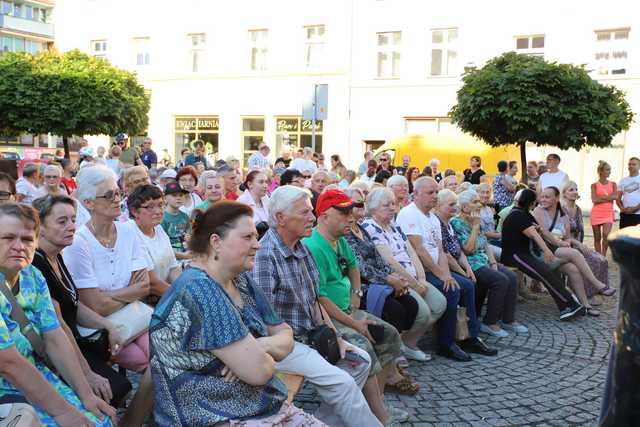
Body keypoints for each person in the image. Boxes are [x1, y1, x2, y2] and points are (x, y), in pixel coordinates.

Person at [149, 201, 324, 426]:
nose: (257, 245)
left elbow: (285, 333)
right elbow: (259, 371)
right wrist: (261, 354)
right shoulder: (199, 289)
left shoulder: (239, 279)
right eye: (248, 237)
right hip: (213, 417)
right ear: (216, 242)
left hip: (256, 407)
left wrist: (260, 346)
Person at [251, 186, 383, 427]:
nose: (312, 217)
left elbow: (315, 300)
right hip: (284, 344)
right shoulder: (266, 255)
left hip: (308, 337)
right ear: (281, 218)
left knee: (360, 360)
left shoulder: (301, 247)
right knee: (342, 382)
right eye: (304, 213)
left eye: (311, 211)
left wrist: (335, 336)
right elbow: (263, 319)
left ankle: (321, 421)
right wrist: (308, 346)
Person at [0, 203, 116, 426]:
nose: (19, 246)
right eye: (8, 238)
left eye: (26, 239)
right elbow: (8, 362)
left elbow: (54, 337)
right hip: (7, 389)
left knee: (100, 419)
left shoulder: (32, 275)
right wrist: (63, 413)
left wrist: (86, 395)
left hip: (33, 375)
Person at [304, 189, 410, 425]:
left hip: (348, 311)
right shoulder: (313, 246)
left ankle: (377, 402)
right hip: (329, 318)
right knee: (365, 345)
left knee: (389, 335)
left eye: (350, 211)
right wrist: (355, 323)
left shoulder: (339, 239)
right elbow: (319, 300)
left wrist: (356, 292)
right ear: (323, 216)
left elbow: (353, 267)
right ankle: (378, 415)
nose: (351, 218)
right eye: (343, 213)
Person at [32, 195, 133, 408]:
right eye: (62, 221)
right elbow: (57, 325)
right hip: (55, 352)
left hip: (75, 342)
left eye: (73, 219)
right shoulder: (36, 263)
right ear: (39, 226)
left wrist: (108, 325)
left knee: (121, 386)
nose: (71, 226)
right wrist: (87, 374)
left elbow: (73, 305)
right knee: (113, 390)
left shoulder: (56, 255)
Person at [396, 177, 497, 362]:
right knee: (452, 290)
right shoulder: (409, 214)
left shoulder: (432, 217)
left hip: (435, 268)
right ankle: (446, 343)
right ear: (416, 194)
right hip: (419, 271)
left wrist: (447, 274)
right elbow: (419, 251)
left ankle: (469, 337)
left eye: (436, 192)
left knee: (467, 285)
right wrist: (443, 276)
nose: (434, 196)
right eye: (430, 193)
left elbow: (441, 250)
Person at [63, 165, 151, 373]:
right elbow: (94, 306)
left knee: (162, 357)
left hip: (135, 319)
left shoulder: (128, 231)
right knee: (147, 364)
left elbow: (145, 285)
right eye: (109, 195)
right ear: (88, 203)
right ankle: (138, 407)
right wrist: (130, 291)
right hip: (101, 328)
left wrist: (107, 296)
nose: (116, 199)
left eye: (118, 193)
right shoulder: (79, 243)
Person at [343, 188, 422, 394]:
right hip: (362, 286)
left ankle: (392, 359)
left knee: (410, 305)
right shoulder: (344, 233)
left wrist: (394, 278)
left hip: (380, 282)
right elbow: (359, 268)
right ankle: (389, 371)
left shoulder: (362, 228)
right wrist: (388, 279)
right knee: (395, 310)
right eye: (353, 205)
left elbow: (379, 259)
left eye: (361, 204)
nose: (357, 209)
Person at [360, 188, 445, 362]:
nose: (393, 208)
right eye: (387, 205)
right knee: (422, 312)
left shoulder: (394, 224)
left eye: (393, 203)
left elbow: (411, 252)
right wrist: (414, 284)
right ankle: (398, 347)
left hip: (414, 277)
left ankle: (408, 343)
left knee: (439, 304)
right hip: (398, 279)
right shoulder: (370, 226)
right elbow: (389, 261)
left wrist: (421, 278)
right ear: (374, 208)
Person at [450, 190, 528, 337]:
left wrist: (493, 263)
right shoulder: (456, 223)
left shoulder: (476, 220)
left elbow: (485, 244)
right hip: (470, 264)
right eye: (475, 202)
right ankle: (489, 322)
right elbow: (468, 250)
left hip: (483, 261)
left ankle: (508, 319)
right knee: (500, 280)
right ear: (465, 207)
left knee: (510, 276)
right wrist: (474, 227)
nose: (479, 204)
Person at [501, 188, 585, 320]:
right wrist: (546, 251)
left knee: (549, 272)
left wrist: (558, 243)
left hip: (524, 254)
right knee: (545, 273)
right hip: (514, 256)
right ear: (531, 203)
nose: (537, 203)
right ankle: (569, 305)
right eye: (536, 201)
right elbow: (534, 234)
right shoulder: (517, 215)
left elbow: (542, 231)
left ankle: (570, 304)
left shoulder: (525, 214)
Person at [533, 187, 615, 315]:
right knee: (575, 253)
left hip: (560, 249)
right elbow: (544, 233)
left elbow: (568, 238)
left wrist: (575, 243)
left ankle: (585, 306)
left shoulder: (562, 215)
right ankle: (598, 284)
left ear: (556, 198)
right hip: (544, 250)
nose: (543, 199)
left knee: (573, 269)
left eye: (547, 197)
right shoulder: (538, 211)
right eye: (542, 196)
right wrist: (560, 242)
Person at [561, 180, 610, 306]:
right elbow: (561, 234)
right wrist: (578, 245)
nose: (574, 192)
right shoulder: (561, 210)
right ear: (564, 194)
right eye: (571, 189)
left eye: (576, 189)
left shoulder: (578, 209)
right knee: (591, 261)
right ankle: (585, 295)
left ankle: (596, 291)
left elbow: (580, 231)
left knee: (602, 260)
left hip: (578, 245)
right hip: (565, 246)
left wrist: (582, 246)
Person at [128, 185, 181, 298]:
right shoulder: (130, 233)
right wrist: (182, 296)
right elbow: (152, 283)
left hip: (166, 293)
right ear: (134, 211)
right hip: (146, 301)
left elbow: (173, 267)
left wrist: (182, 287)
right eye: (150, 207)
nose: (158, 211)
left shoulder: (158, 228)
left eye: (160, 205)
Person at [590, 161, 616, 256]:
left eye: (610, 170)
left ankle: (603, 256)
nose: (609, 172)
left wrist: (601, 198)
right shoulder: (594, 185)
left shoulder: (613, 184)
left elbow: (615, 196)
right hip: (596, 213)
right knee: (597, 237)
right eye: (607, 170)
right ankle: (598, 258)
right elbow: (594, 199)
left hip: (608, 213)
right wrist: (608, 198)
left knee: (606, 235)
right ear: (601, 171)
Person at [161, 182, 191, 260]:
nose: (178, 198)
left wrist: (189, 239)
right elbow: (162, 247)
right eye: (174, 195)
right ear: (165, 198)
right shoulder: (162, 218)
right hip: (169, 257)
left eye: (181, 195)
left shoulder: (185, 216)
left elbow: (189, 234)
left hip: (185, 253)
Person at [617, 157, 640, 229]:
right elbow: (618, 198)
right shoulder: (623, 181)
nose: (631, 166)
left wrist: (635, 208)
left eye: (634, 164)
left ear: (639, 166)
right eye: (629, 164)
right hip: (625, 215)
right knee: (623, 237)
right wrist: (622, 208)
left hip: (638, 214)